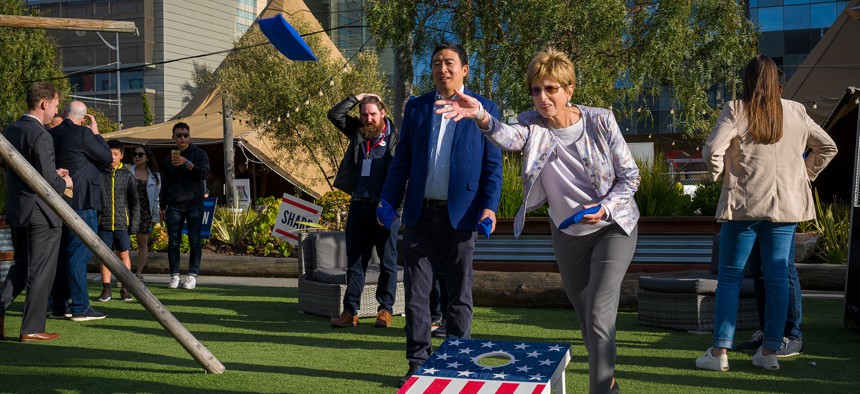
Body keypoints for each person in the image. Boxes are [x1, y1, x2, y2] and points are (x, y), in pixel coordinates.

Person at [437, 47, 640, 394]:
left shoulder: (601, 120)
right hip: (566, 233)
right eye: (536, 90)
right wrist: (482, 117)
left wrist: (605, 208)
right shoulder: (531, 124)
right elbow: (509, 137)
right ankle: (610, 382)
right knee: (586, 320)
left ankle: (602, 389)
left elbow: (631, 177)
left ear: (569, 89)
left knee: (599, 316)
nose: (543, 98)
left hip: (612, 227)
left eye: (551, 89)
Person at [696, 54, 836, 371]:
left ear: (747, 81)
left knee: (730, 278)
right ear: (778, 82)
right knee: (777, 278)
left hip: (743, 205)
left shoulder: (736, 109)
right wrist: (805, 174)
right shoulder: (797, 111)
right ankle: (770, 353)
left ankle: (719, 354)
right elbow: (827, 147)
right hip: (785, 207)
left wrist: (718, 173)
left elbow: (711, 150)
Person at [378, 42, 503, 387]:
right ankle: (418, 362)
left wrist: (489, 207)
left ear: (464, 69)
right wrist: (388, 200)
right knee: (417, 294)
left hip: (462, 219)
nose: (442, 69)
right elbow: (401, 160)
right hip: (420, 216)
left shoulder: (483, 109)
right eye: (436, 63)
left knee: (459, 293)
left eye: (449, 63)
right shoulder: (417, 108)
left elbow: (493, 167)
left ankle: (458, 362)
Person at [736, 69, 804, 357]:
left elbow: (827, 146)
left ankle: (791, 334)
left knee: (782, 270)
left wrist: (805, 175)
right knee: (760, 271)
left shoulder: (794, 113)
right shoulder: (751, 116)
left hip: (783, 206)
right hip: (755, 204)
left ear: (777, 89)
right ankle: (770, 332)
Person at [0, 81, 72, 342]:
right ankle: (31, 328)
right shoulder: (41, 134)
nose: (56, 110)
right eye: (55, 105)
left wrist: (54, 174)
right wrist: (65, 181)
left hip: (19, 209)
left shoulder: (11, 129)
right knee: (41, 271)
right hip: (41, 214)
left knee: (20, 268)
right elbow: (49, 183)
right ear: (44, 103)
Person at [327, 93, 400, 328]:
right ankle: (350, 311)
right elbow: (334, 114)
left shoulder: (396, 139)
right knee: (355, 262)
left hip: (385, 209)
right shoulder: (359, 133)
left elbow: (403, 177)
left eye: (373, 114)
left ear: (383, 114)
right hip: (359, 206)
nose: (368, 119)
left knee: (388, 262)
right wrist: (357, 97)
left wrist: (392, 205)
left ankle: (385, 310)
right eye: (364, 114)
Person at [48, 100, 111, 321]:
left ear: (65, 113)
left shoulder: (52, 134)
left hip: (58, 199)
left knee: (62, 253)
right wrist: (96, 133)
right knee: (79, 254)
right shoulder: (84, 134)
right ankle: (81, 307)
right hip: (83, 201)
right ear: (84, 119)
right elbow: (107, 158)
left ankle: (58, 305)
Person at [160, 122, 210, 290]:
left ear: (190, 136)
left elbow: (203, 173)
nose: (182, 138)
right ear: (173, 137)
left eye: (185, 135)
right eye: (179, 135)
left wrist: (186, 162)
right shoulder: (168, 159)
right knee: (174, 242)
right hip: (174, 204)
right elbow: (165, 184)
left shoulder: (199, 153)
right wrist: (162, 206)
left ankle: (192, 275)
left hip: (195, 203)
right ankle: (174, 275)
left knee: (194, 241)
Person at [97, 140, 140, 302]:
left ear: (121, 156)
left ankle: (125, 288)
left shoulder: (128, 175)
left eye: (116, 154)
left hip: (122, 223)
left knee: (124, 254)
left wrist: (133, 225)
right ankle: (106, 288)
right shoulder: (100, 173)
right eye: (110, 154)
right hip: (104, 223)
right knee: (105, 256)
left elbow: (135, 202)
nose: (112, 157)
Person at [130, 145, 161, 282]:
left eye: (140, 155)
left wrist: (155, 217)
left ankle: (138, 273)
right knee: (124, 244)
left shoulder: (155, 176)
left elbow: (156, 199)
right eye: (135, 154)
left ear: (147, 158)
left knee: (142, 243)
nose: (136, 157)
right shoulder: (127, 172)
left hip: (145, 212)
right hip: (128, 211)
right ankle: (124, 272)